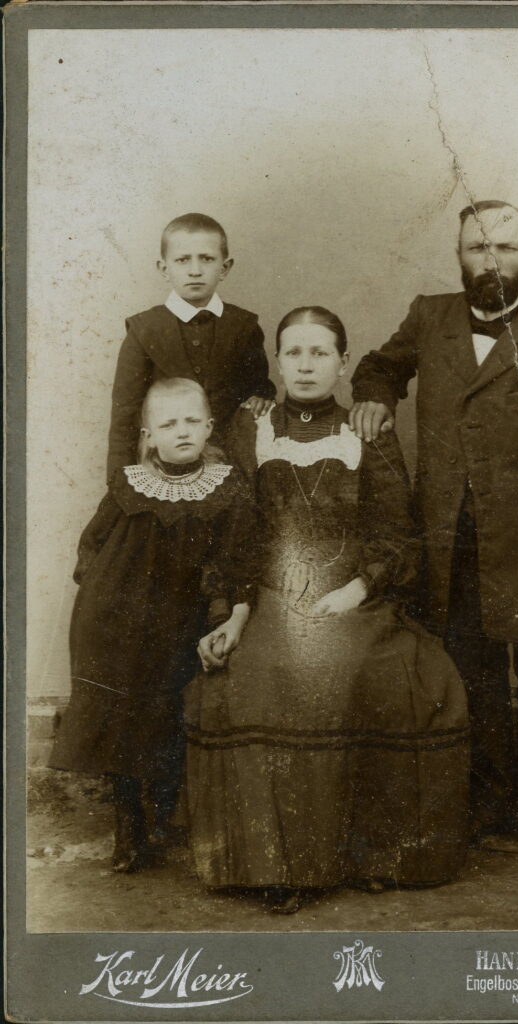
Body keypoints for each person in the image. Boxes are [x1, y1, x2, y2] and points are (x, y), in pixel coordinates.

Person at [350, 200, 518, 852]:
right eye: (477, 247)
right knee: (466, 670)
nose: (491, 260)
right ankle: (486, 801)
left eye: (505, 247)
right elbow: (378, 364)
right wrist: (374, 395)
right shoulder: (429, 316)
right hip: (449, 537)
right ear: (458, 254)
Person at [183, 306, 469, 914]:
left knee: (393, 675)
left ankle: (369, 853)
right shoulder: (248, 429)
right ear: (278, 362)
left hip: (355, 598)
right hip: (267, 599)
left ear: (343, 363)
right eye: (294, 353)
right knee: (256, 680)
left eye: (320, 353)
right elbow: (235, 537)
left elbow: (398, 537)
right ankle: (278, 865)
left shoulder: (368, 432)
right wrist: (231, 615)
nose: (306, 365)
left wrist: (354, 592)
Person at [50, 378, 257, 873]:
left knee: (168, 709)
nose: (181, 431)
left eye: (191, 421)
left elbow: (235, 558)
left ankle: (165, 814)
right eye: (168, 424)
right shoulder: (128, 484)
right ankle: (129, 825)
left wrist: (220, 609)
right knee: (120, 712)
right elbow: (93, 542)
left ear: (209, 427)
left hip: (181, 617)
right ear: (148, 434)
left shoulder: (228, 488)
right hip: (119, 619)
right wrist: (98, 590)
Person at [106, 212, 276, 482]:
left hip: (228, 466)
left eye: (207, 259)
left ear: (225, 267)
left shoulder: (243, 326)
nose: (195, 270)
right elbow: (125, 414)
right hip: (162, 467)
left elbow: (258, 386)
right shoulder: (144, 329)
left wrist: (260, 396)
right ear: (164, 268)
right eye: (183, 260)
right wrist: (120, 482)